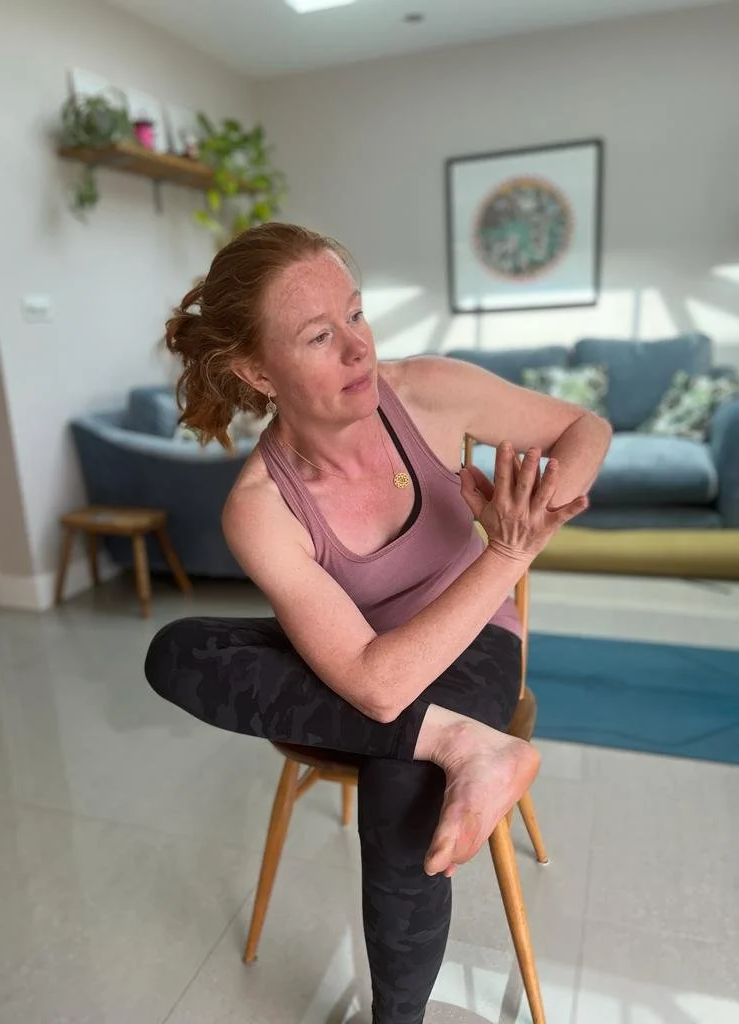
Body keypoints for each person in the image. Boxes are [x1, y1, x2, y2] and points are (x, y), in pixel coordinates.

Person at [144, 222, 612, 1024]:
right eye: (320, 335)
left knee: (402, 784)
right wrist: (506, 551)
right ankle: (468, 745)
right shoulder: (260, 507)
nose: (358, 349)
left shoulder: (425, 391)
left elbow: (584, 427)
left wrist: (528, 516)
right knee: (177, 651)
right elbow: (376, 681)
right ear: (258, 370)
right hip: (365, 665)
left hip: (474, 643)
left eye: (356, 315)